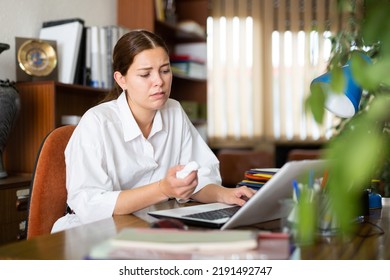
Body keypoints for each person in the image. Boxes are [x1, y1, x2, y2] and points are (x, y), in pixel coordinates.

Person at [52, 30, 255, 232]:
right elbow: (90, 203)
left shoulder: (174, 111)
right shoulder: (97, 123)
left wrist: (225, 194)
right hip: (98, 232)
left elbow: (198, 177)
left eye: (165, 70)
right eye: (145, 74)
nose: (159, 81)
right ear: (121, 79)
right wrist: (162, 189)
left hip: (151, 226)